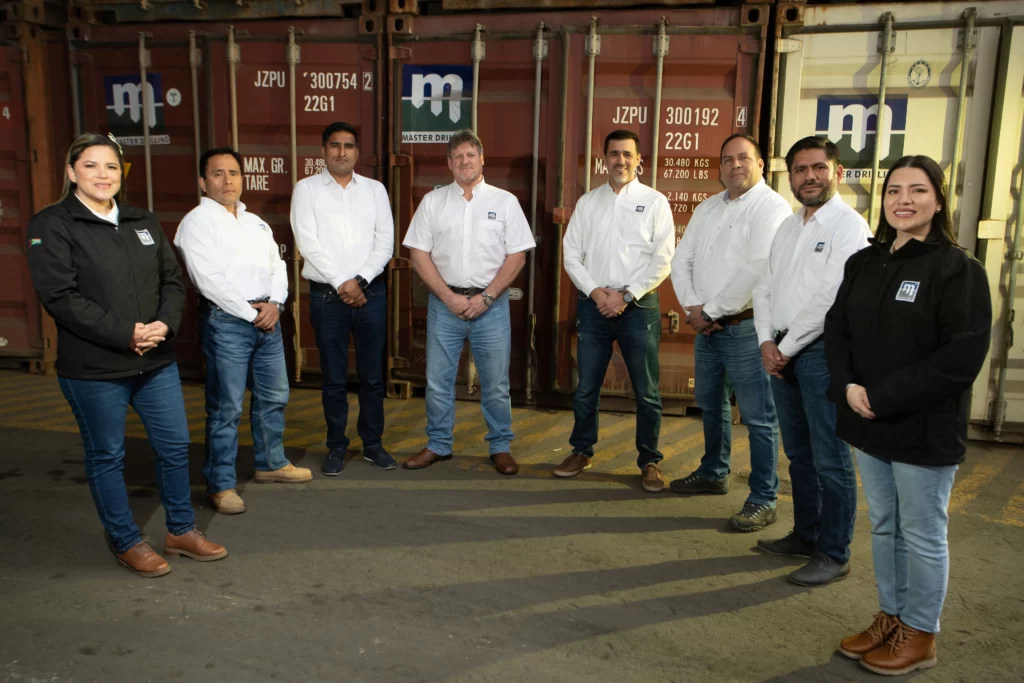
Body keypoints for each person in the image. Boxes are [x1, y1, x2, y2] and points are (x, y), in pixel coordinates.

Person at [26, 132, 227, 577]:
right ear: (71, 171)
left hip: (154, 362)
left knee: (175, 447)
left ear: (122, 174)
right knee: (107, 456)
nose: (103, 175)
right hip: (95, 369)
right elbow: (59, 296)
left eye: (112, 166)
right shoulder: (52, 224)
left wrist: (165, 325)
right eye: (92, 165)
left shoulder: (142, 220)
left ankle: (180, 531)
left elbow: (173, 282)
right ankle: (125, 541)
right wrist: (125, 333)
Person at [825, 155, 991, 675]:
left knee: (921, 533)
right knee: (884, 526)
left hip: (922, 427)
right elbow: (838, 330)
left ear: (938, 201)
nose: (903, 200)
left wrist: (883, 395)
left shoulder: (958, 270)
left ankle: (921, 633)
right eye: (894, 190)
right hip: (868, 421)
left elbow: (959, 358)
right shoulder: (865, 263)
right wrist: (849, 386)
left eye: (917, 190)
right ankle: (892, 617)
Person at [752, 136, 870, 585]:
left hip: (820, 352)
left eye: (818, 168)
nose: (809, 177)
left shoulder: (849, 226)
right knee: (798, 452)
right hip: (781, 349)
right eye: (800, 170)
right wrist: (766, 340)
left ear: (836, 172)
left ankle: (834, 552)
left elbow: (830, 298)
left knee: (830, 457)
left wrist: (785, 346)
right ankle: (806, 534)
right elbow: (764, 286)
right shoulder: (788, 226)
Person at [175, 147, 312, 516]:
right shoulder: (195, 223)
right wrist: (250, 313)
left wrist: (275, 305)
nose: (227, 180)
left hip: (266, 317)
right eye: (217, 174)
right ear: (203, 182)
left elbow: (278, 266)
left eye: (233, 172)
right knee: (226, 406)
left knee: (274, 395)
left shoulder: (256, 222)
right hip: (226, 322)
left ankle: (271, 463)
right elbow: (208, 280)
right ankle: (220, 484)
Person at [669, 134, 791, 529]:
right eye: (727, 159)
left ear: (760, 164)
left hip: (744, 328)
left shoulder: (771, 207)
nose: (735, 165)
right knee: (711, 404)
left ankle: (764, 497)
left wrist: (711, 311)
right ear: (719, 168)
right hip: (707, 328)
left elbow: (756, 267)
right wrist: (692, 306)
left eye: (743, 158)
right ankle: (713, 472)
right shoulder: (708, 207)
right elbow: (681, 258)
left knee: (758, 417)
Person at [401, 129, 535, 475]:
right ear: (449, 163)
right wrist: (447, 297)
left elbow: (517, 257)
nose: (464, 161)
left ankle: (500, 446)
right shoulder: (433, 202)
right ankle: (438, 444)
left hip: (491, 306)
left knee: (495, 382)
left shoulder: (504, 202)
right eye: (458, 156)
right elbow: (418, 254)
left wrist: (486, 298)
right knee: (438, 380)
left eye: (470, 155)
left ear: (482, 159)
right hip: (444, 305)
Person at [556, 129, 675, 492]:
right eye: (613, 154)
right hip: (594, 307)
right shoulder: (589, 203)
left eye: (627, 154)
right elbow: (571, 254)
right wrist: (596, 292)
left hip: (638, 307)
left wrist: (625, 296)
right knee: (586, 386)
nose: (620, 160)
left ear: (640, 160)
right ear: (603, 159)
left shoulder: (655, 202)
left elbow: (663, 258)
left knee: (647, 391)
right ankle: (581, 450)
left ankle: (649, 460)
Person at [290, 122, 395, 475]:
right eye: (334, 145)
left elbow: (385, 242)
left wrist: (360, 281)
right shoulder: (306, 190)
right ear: (323, 151)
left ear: (357, 151)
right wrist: (343, 284)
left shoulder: (375, 190)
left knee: (372, 377)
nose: (341, 152)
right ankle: (336, 446)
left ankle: (373, 444)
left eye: (348, 146)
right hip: (328, 298)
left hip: (372, 293)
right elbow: (308, 243)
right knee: (333, 378)